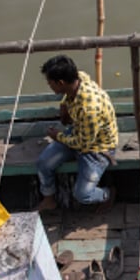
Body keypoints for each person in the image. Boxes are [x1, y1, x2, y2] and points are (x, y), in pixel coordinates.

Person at [36, 55, 118, 212]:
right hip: (78, 132)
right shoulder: (79, 77)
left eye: (50, 83)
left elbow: (83, 144)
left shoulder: (89, 109)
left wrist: (57, 137)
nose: (49, 85)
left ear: (60, 83)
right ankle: (49, 200)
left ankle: (108, 194)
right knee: (43, 163)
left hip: (97, 148)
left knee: (83, 195)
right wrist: (64, 104)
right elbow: (70, 95)